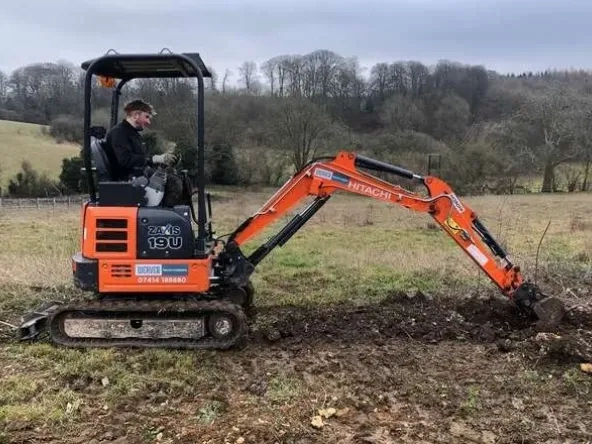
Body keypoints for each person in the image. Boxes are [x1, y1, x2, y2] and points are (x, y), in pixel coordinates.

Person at [103, 99, 177, 181]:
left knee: (173, 174)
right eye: (146, 117)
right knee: (173, 182)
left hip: (137, 174)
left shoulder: (133, 134)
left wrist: (161, 159)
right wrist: (154, 159)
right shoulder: (119, 133)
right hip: (127, 179)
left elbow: (142, 156)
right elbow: (125, 159)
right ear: (135, 115)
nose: (148, 122)